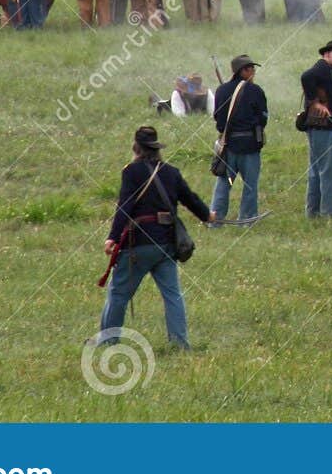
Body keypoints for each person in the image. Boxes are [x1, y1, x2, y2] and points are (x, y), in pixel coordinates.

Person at [97, 126, 210, 351]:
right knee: (173, 295)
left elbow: (125, 207)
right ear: (157, 148)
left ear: (136, 147)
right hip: (166, 244)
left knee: (118, 294)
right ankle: (179, 344)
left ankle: (108, 341)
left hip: (138, 243)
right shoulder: (171, 172)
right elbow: (189, 198)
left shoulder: (131, 172)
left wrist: (112, 237)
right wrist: (207, 214)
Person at [209, 54, 268, 226]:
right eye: (250, 69)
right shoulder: (255, 91)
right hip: (249, 145)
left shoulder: (221, 91)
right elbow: (263, 117)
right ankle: (247, 220)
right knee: (250, 185)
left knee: (224, 183)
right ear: (242, 71)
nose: (253, 72)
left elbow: (218, 118)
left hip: (228, 145)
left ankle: (216, 220)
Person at [299, 39, 332, 218]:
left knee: (316, 173)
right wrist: (315, 102)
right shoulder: (321, 68)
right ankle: (330, 214)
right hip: (327, 130)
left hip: (321, 128)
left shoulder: (326, 71)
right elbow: (306, 77)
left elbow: (330, 105)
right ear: (325, 55)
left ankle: (313, 214)